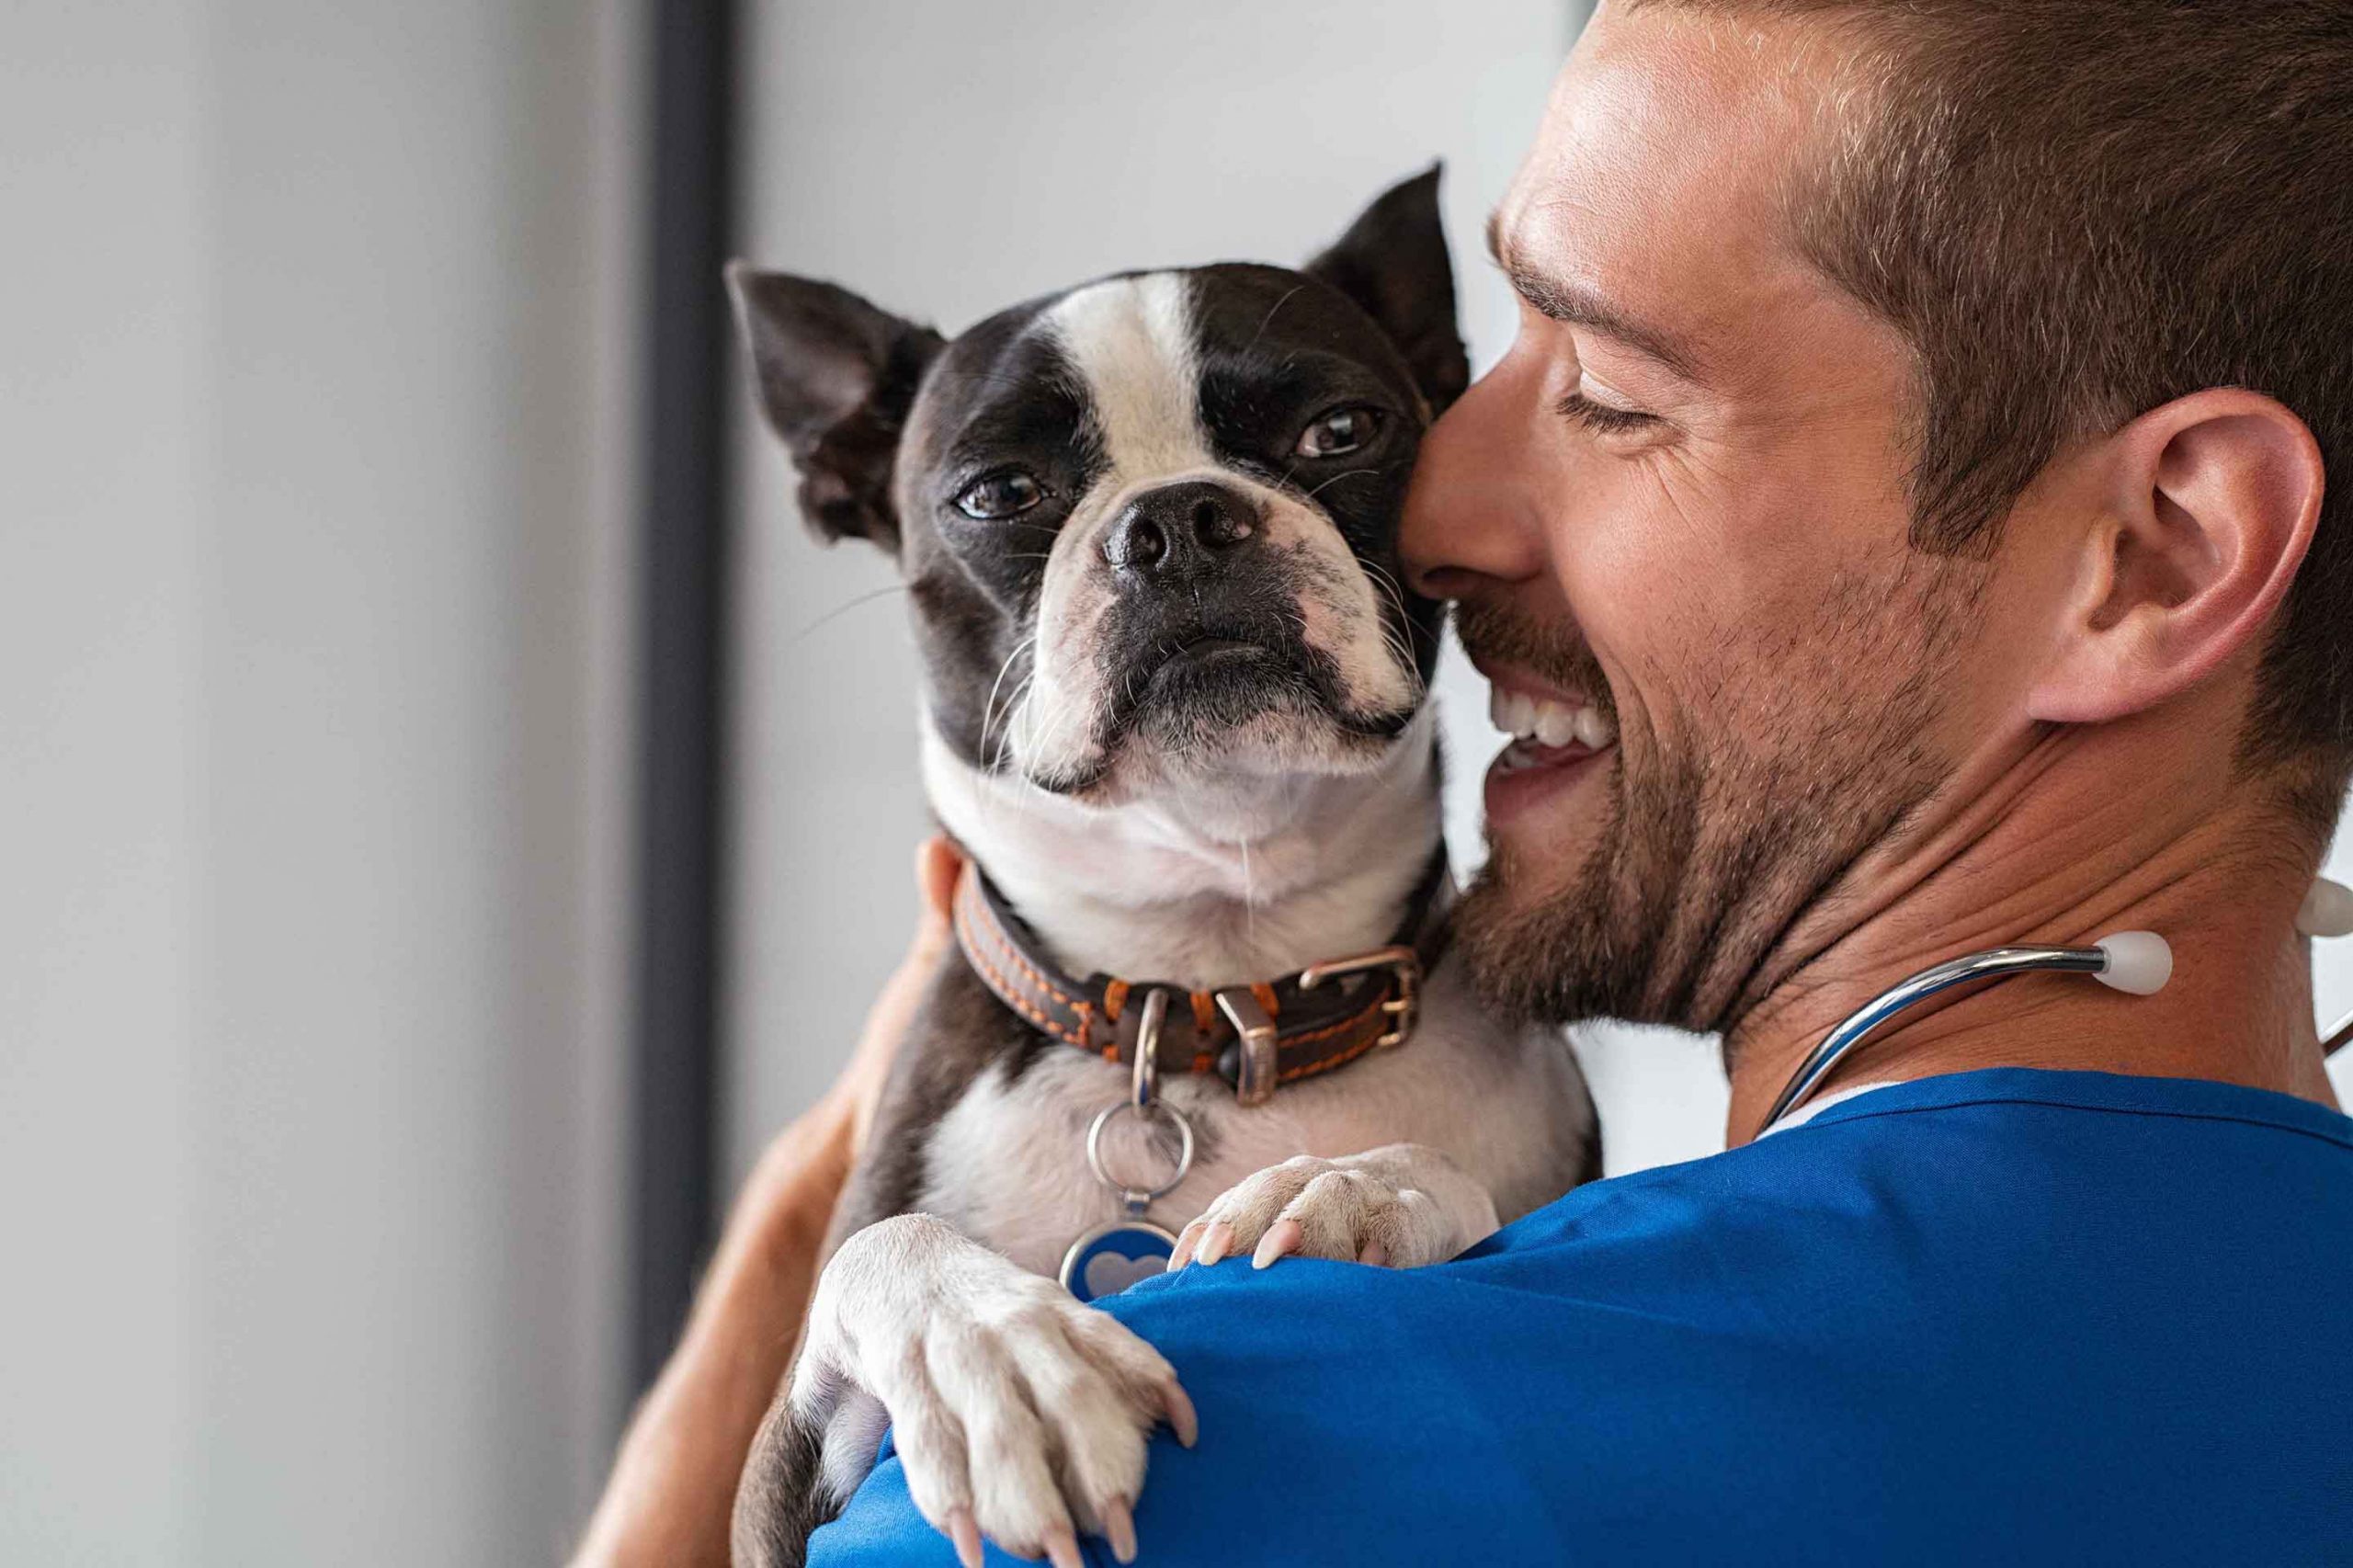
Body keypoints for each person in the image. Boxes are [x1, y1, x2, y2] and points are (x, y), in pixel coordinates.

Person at [579, 1, 2353, 1562]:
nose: (1435, 513)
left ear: (2155, 559)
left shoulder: (1182, 1449)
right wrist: (839, 1203)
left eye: (1611, 390)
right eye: (1481, 364)